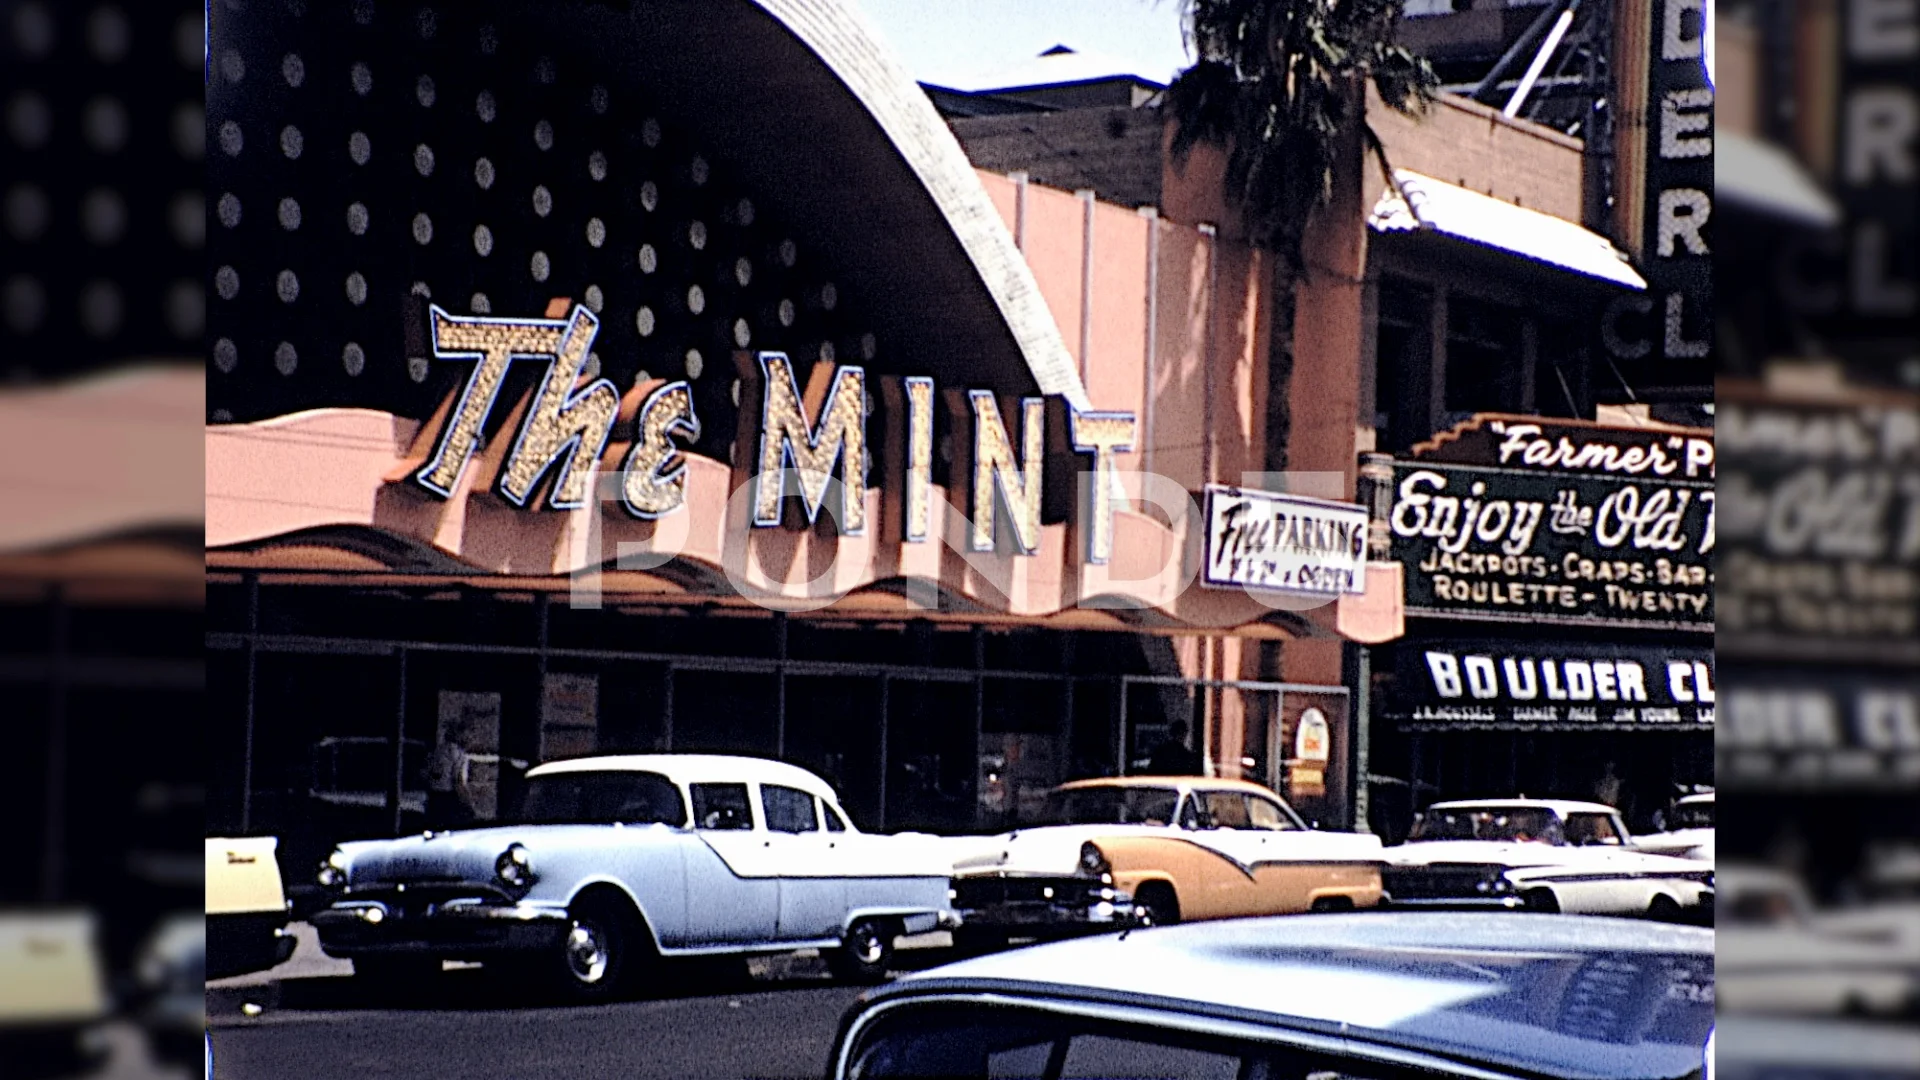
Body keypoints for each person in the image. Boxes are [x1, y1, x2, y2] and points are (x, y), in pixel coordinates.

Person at [424, 722, 474, 830]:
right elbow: (458, 781)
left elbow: (425, 773)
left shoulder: (435, 751)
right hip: (448, 798)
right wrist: (468, 803)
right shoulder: (460, 755)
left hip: (433, 796)